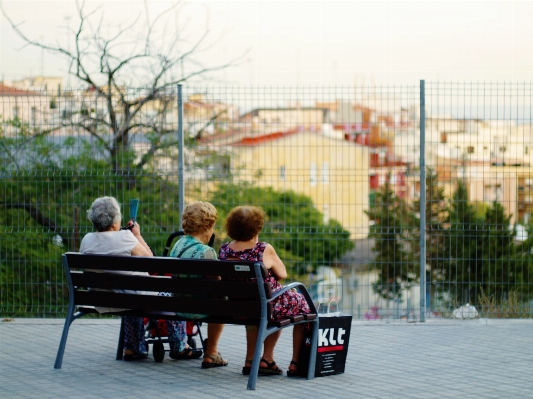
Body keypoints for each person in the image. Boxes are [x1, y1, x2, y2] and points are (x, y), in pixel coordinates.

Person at [79, 196, 202, 361]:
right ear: (115, 222)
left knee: (131, 297)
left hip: (101, 299)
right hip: (133, 298)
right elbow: (150, 261)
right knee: (170, 296)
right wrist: (137, 235)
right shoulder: (124, 237)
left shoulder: (87, 240)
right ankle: (180, 346)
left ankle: (133, 348)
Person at [218, 205, 311, 377]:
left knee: (268, 304)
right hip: (263, 306)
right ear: (257, 227)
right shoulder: (262, 249)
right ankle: (290, 362)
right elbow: (282, 273)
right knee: (299, 303)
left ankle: (252, 360)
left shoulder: (224, 250)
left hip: (237, 308)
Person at [169, 201, 228, 369]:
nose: (212, 231)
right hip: (199, 310)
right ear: (205, 226)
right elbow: (217, 289)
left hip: (178, 306)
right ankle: (211, 353)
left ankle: (211, 351)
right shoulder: (207, 252)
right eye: (212, 227)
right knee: (221, 302)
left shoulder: (177, 245)